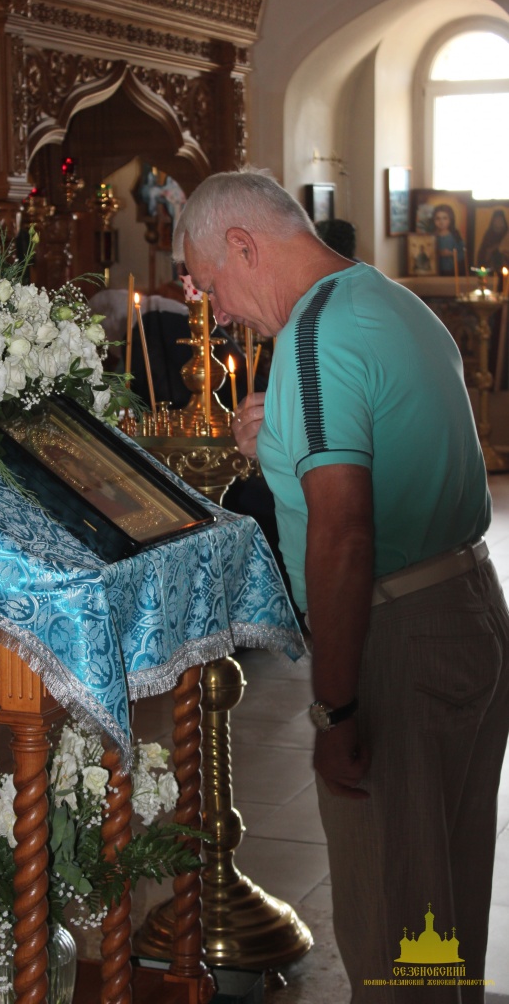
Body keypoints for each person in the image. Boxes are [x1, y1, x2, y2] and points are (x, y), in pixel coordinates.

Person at [173, 168, 509, 1002]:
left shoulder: (314, 337)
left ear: (244, 246)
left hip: (400, 636)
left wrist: (336, 710)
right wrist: (279, 441)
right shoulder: (388, 302)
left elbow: (345, 532)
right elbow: (391, 446)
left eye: (213, 284)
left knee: (395, 921)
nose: (221, 312)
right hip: (467, 607)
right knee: (442, 907)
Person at [431, 203, 465, 276]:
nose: (441, 222)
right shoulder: (431, 237)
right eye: (438, 218)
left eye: (445, 218)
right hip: (435, 272)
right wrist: (437, 253)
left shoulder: (455, 236)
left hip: (452, 271)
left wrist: (451, 253)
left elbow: (463, 253)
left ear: (450, 219)